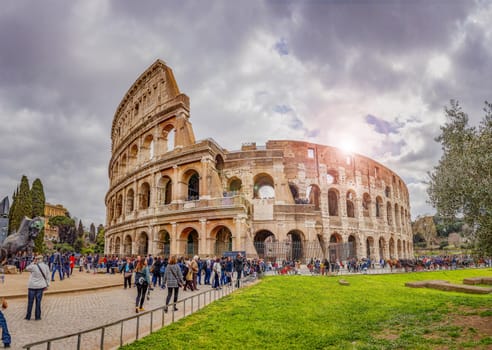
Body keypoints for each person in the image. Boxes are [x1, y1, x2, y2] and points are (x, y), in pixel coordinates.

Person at [25, 254, 50, 321]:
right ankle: (37, 316)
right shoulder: (46, 266)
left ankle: (28, 316)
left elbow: (27, 268)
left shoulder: (33, 266)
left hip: (32, 286)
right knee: (38, 302)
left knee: (30, 302)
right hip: (40, 286)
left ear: (36, 259)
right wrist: (47, 285)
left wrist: (33, 262)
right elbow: (48, 277)